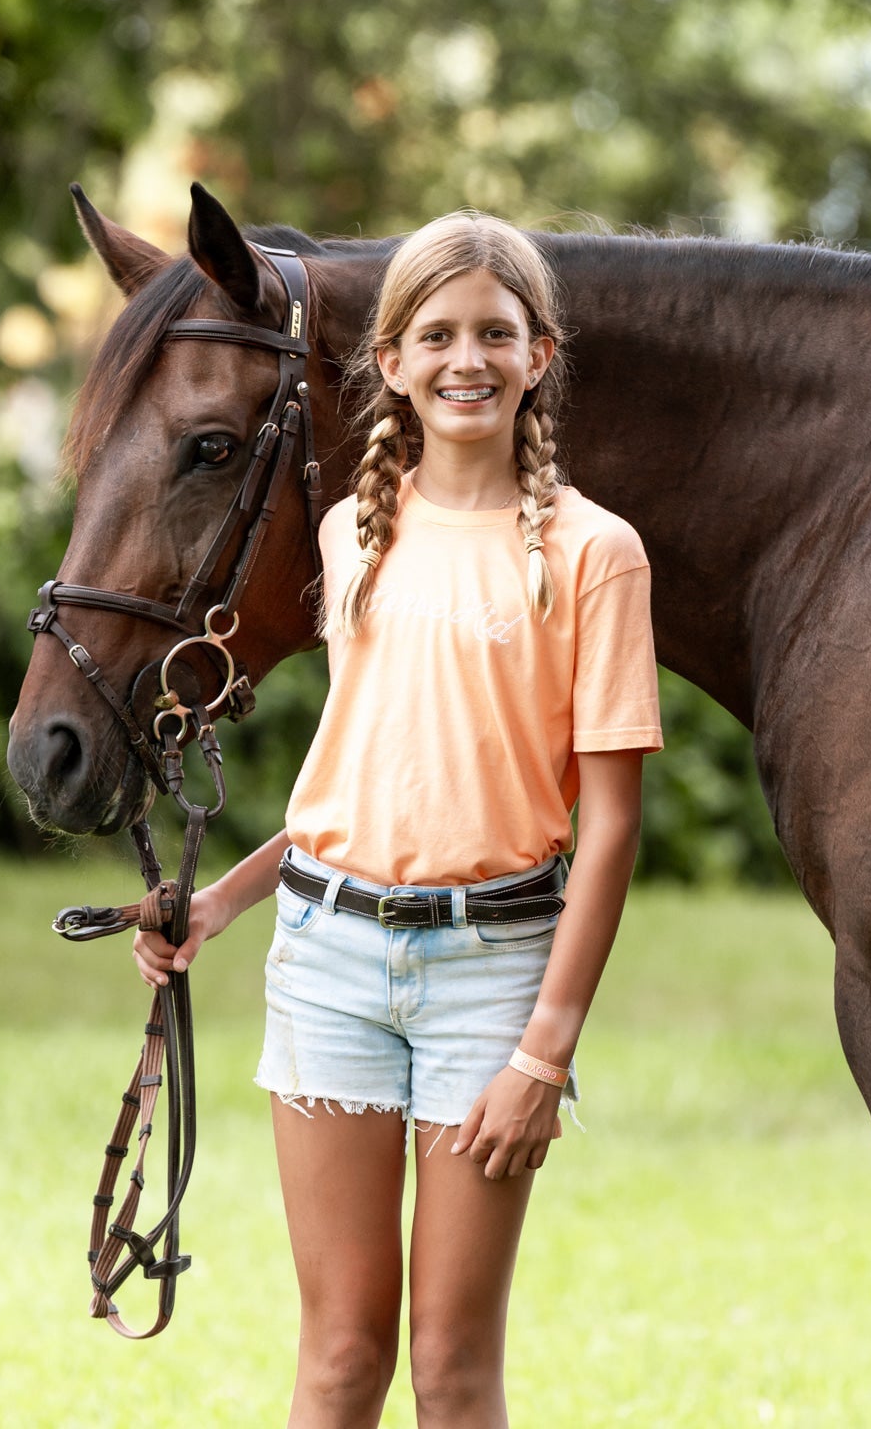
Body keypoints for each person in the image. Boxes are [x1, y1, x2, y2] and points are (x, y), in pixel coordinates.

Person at [134, 211, 662, 1428]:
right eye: (437, 334)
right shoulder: (351, 534)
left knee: (453, 1368)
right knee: (336, 1359)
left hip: (491, 979)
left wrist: (544, 1054)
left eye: (494, 332)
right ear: (393, 360)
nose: (465, 357)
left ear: (541, 355)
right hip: (326, 965)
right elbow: (360, 768)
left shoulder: (594, 555)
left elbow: (614, 826)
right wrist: (221, 901)